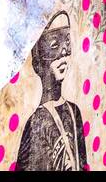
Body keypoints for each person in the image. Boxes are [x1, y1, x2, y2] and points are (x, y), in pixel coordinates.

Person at [16, 11, 87, 170]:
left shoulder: (74, 111)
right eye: (54, 45)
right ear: (38, 63)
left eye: (67, 44)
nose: (63, 53)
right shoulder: (37, 122)